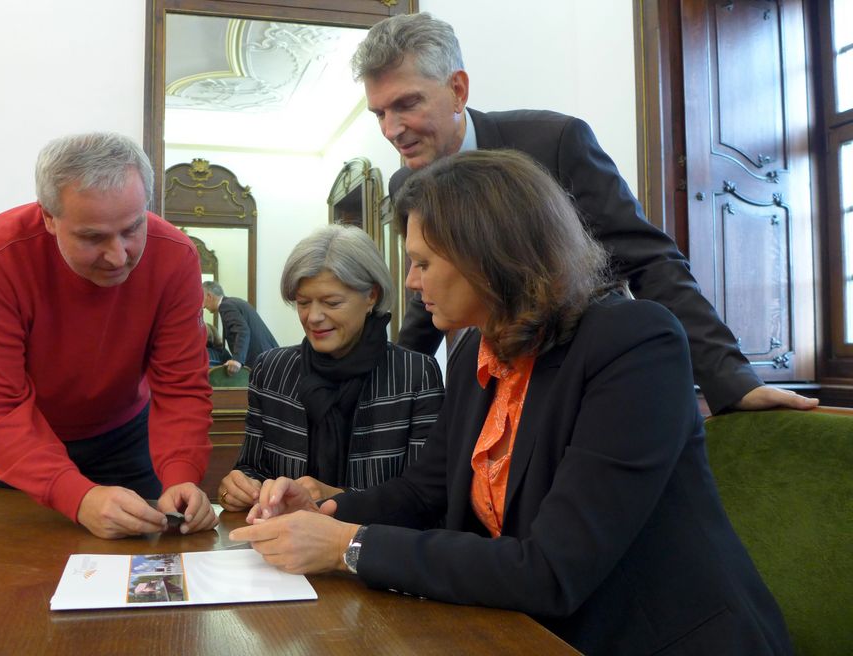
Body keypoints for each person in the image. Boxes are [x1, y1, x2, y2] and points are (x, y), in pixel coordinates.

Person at [229, 151, 792, 655]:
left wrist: (348, 546)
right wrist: (321, 510)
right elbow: (423, 492)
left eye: (423, 262)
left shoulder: (634, 343)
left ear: (487, 256)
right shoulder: (477, 348)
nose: (411, 282)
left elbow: (552, 570)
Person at [351, 12, 816, 416]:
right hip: (493, 386)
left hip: (590, 377)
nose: (392, 129)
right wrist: (389, 391)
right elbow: (423, 300)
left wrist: (731, 380)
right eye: (379, 113)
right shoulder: (405, 185)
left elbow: (647, 259)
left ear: (457, 89)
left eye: (407, 104)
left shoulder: (554, 143)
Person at [0, 132, 217, 539]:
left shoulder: (176, 256)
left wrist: (181, 474)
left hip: (125, 433)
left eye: (132, 229)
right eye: (92, 237)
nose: (118, 255)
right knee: (15, 565)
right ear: (49, 218)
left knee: (144, 555)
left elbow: (181, 386)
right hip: (17, 435)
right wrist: (75, 496)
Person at [217, 225, 444, 511]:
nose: (313, 317)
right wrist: (237, 489)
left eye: (331, 302)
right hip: (282, 547)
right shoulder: (272, 370)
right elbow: (252, 467)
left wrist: (337, 497)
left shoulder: (415, 375)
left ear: (371, 296)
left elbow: (427, 500)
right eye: (302, 303)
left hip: (373, 549)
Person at [202, 281, 279, 375]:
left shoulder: (225, 306)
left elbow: (242, 330)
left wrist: (237, 359)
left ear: (209, 296)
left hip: (262, 362)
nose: (203, 306)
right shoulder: (235, 302)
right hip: (270, 357)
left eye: (202, 300)